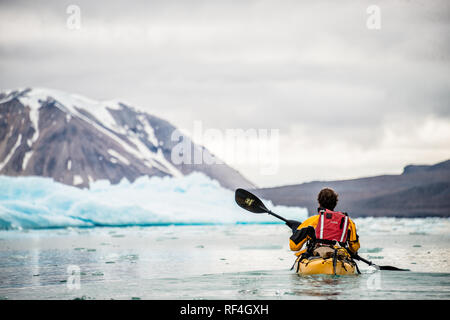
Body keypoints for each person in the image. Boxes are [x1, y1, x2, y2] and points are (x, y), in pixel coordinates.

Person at [289, 188, 360, 262]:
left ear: (319, 203)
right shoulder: (348, 222)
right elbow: (355, 248)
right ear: (335, 204)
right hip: (339, 256)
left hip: (316, 258)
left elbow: (294, 247)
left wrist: (295, 231)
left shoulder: (311, 222)